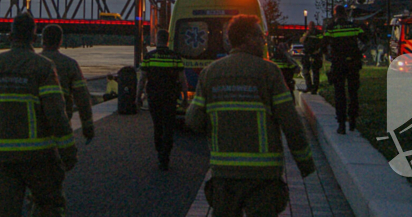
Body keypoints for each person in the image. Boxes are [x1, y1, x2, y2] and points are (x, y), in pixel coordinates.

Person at [186, 15, 315, 217]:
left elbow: (194, 121)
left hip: (225, 174)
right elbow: (291, 123)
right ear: (248, 38)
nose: (263, 41)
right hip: (263, 176)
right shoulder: (269, 72)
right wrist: (305, 163)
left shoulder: (209, 73)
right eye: (260, 36)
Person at [0, 12, 76, 217]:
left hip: (1, 154)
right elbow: (55, 113)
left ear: (10, 36)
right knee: (49, 206)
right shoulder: (43, 66)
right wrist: (68, 151)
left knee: (7, 211)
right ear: (34, 37)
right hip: (37, 154)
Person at [136, 28, 188, 171]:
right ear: (168, 40)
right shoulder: (175, 57)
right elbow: (182, 79)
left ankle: (160, 151)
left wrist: (138, 97)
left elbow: (142, 79)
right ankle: (165, 155)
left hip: (154, 97)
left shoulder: (149, 57)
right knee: (168, 127)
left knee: (157, 125)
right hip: (170, 97)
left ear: (157, 39)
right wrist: (185, 97)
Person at [39, 24, 95, 145]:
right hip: (62, 123)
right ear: (60, 41)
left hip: (34, 125)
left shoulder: (32, 62)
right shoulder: (70, 64)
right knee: (63, 154)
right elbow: (82, 98)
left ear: (42, 40)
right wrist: (88, 126)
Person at [323, 5, 366, 134]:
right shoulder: (354, 26)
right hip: (353, 63)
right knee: (353, 92)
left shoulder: (331, 28)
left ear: (335, 14)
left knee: (339, 93)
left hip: (338, 64)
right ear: (345, 14)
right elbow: (366, 39)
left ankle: (341, 124)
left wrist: (328, 56)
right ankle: (352, 120)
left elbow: (324, 44)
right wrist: (359, 53)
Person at [301, 22, 325, 94]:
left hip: (315, 55)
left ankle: (315, 88)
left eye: (311, 26)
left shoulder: (318, 33)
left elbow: (322, 42)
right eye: (309, 26)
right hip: (307, 54)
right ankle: (309, 86)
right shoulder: (306, 33)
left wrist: (318, 51)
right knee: (306, 71)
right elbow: (301, 40)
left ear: (314, 26)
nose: (310, 27)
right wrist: (306, 35)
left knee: (315, 72)